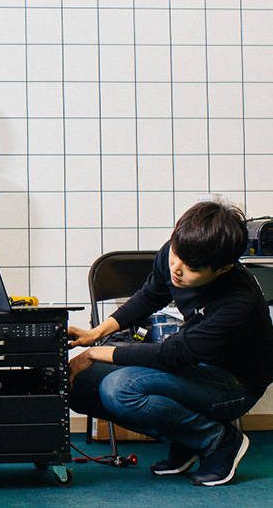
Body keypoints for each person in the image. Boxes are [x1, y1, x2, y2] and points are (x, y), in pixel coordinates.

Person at [68, 201, 273, 486]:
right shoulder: (179, 249)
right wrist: (96, 333)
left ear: (224, 268)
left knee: (121, 389)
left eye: (192, 269)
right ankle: (188, 440)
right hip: (195, 369)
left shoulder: (239, 301)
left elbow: (172, 355)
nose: (177, 269)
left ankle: (219, 441)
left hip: (235, 385)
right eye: (176, 256)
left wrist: (94, 353)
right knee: (76, 385)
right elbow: (150, 295)